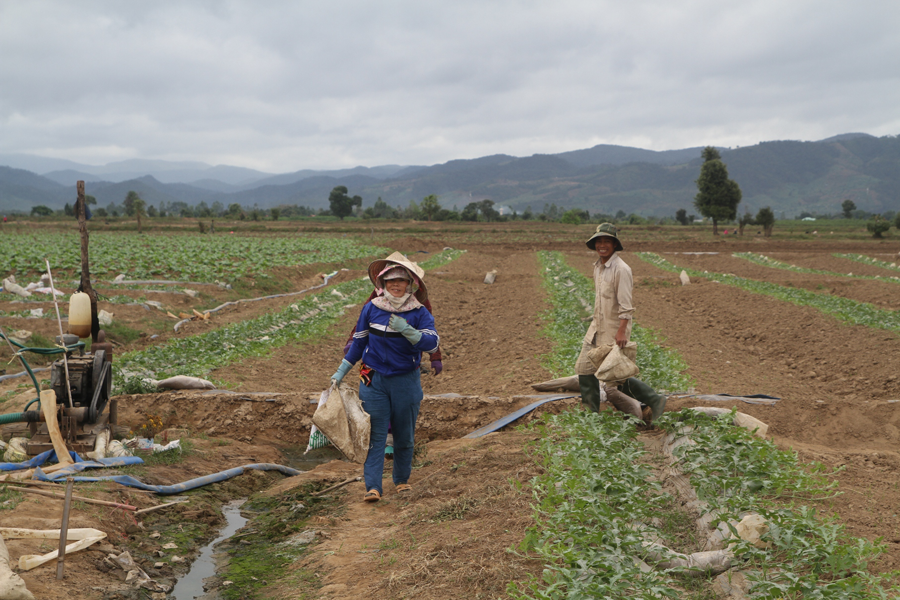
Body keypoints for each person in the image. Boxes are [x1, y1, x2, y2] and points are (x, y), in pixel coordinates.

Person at [330, 254, 439, 503]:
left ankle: (401, 481)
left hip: (406, 381)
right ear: (382, 284)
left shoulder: (419, 313)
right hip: (374, 379)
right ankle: (373, 487)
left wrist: (409, 331)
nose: (395, 286)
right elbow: (358, 343)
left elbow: (432, 343)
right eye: (391, 282)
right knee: (376, 435)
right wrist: (341, 371)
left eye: (401, 281)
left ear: (410, 285)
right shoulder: (372, 308)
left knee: (404, 434)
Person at [574, 223, 667, 422]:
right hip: (596, 328)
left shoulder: (621, 269)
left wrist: (622, 331)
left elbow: (626, 306)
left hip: (613, 331)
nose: (602, 245)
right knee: (584, 369)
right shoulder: (598, 267)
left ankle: (655, 399)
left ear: (615, 244)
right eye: (599, 241)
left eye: (607, 241)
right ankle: (591, 415)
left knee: (613, 377)